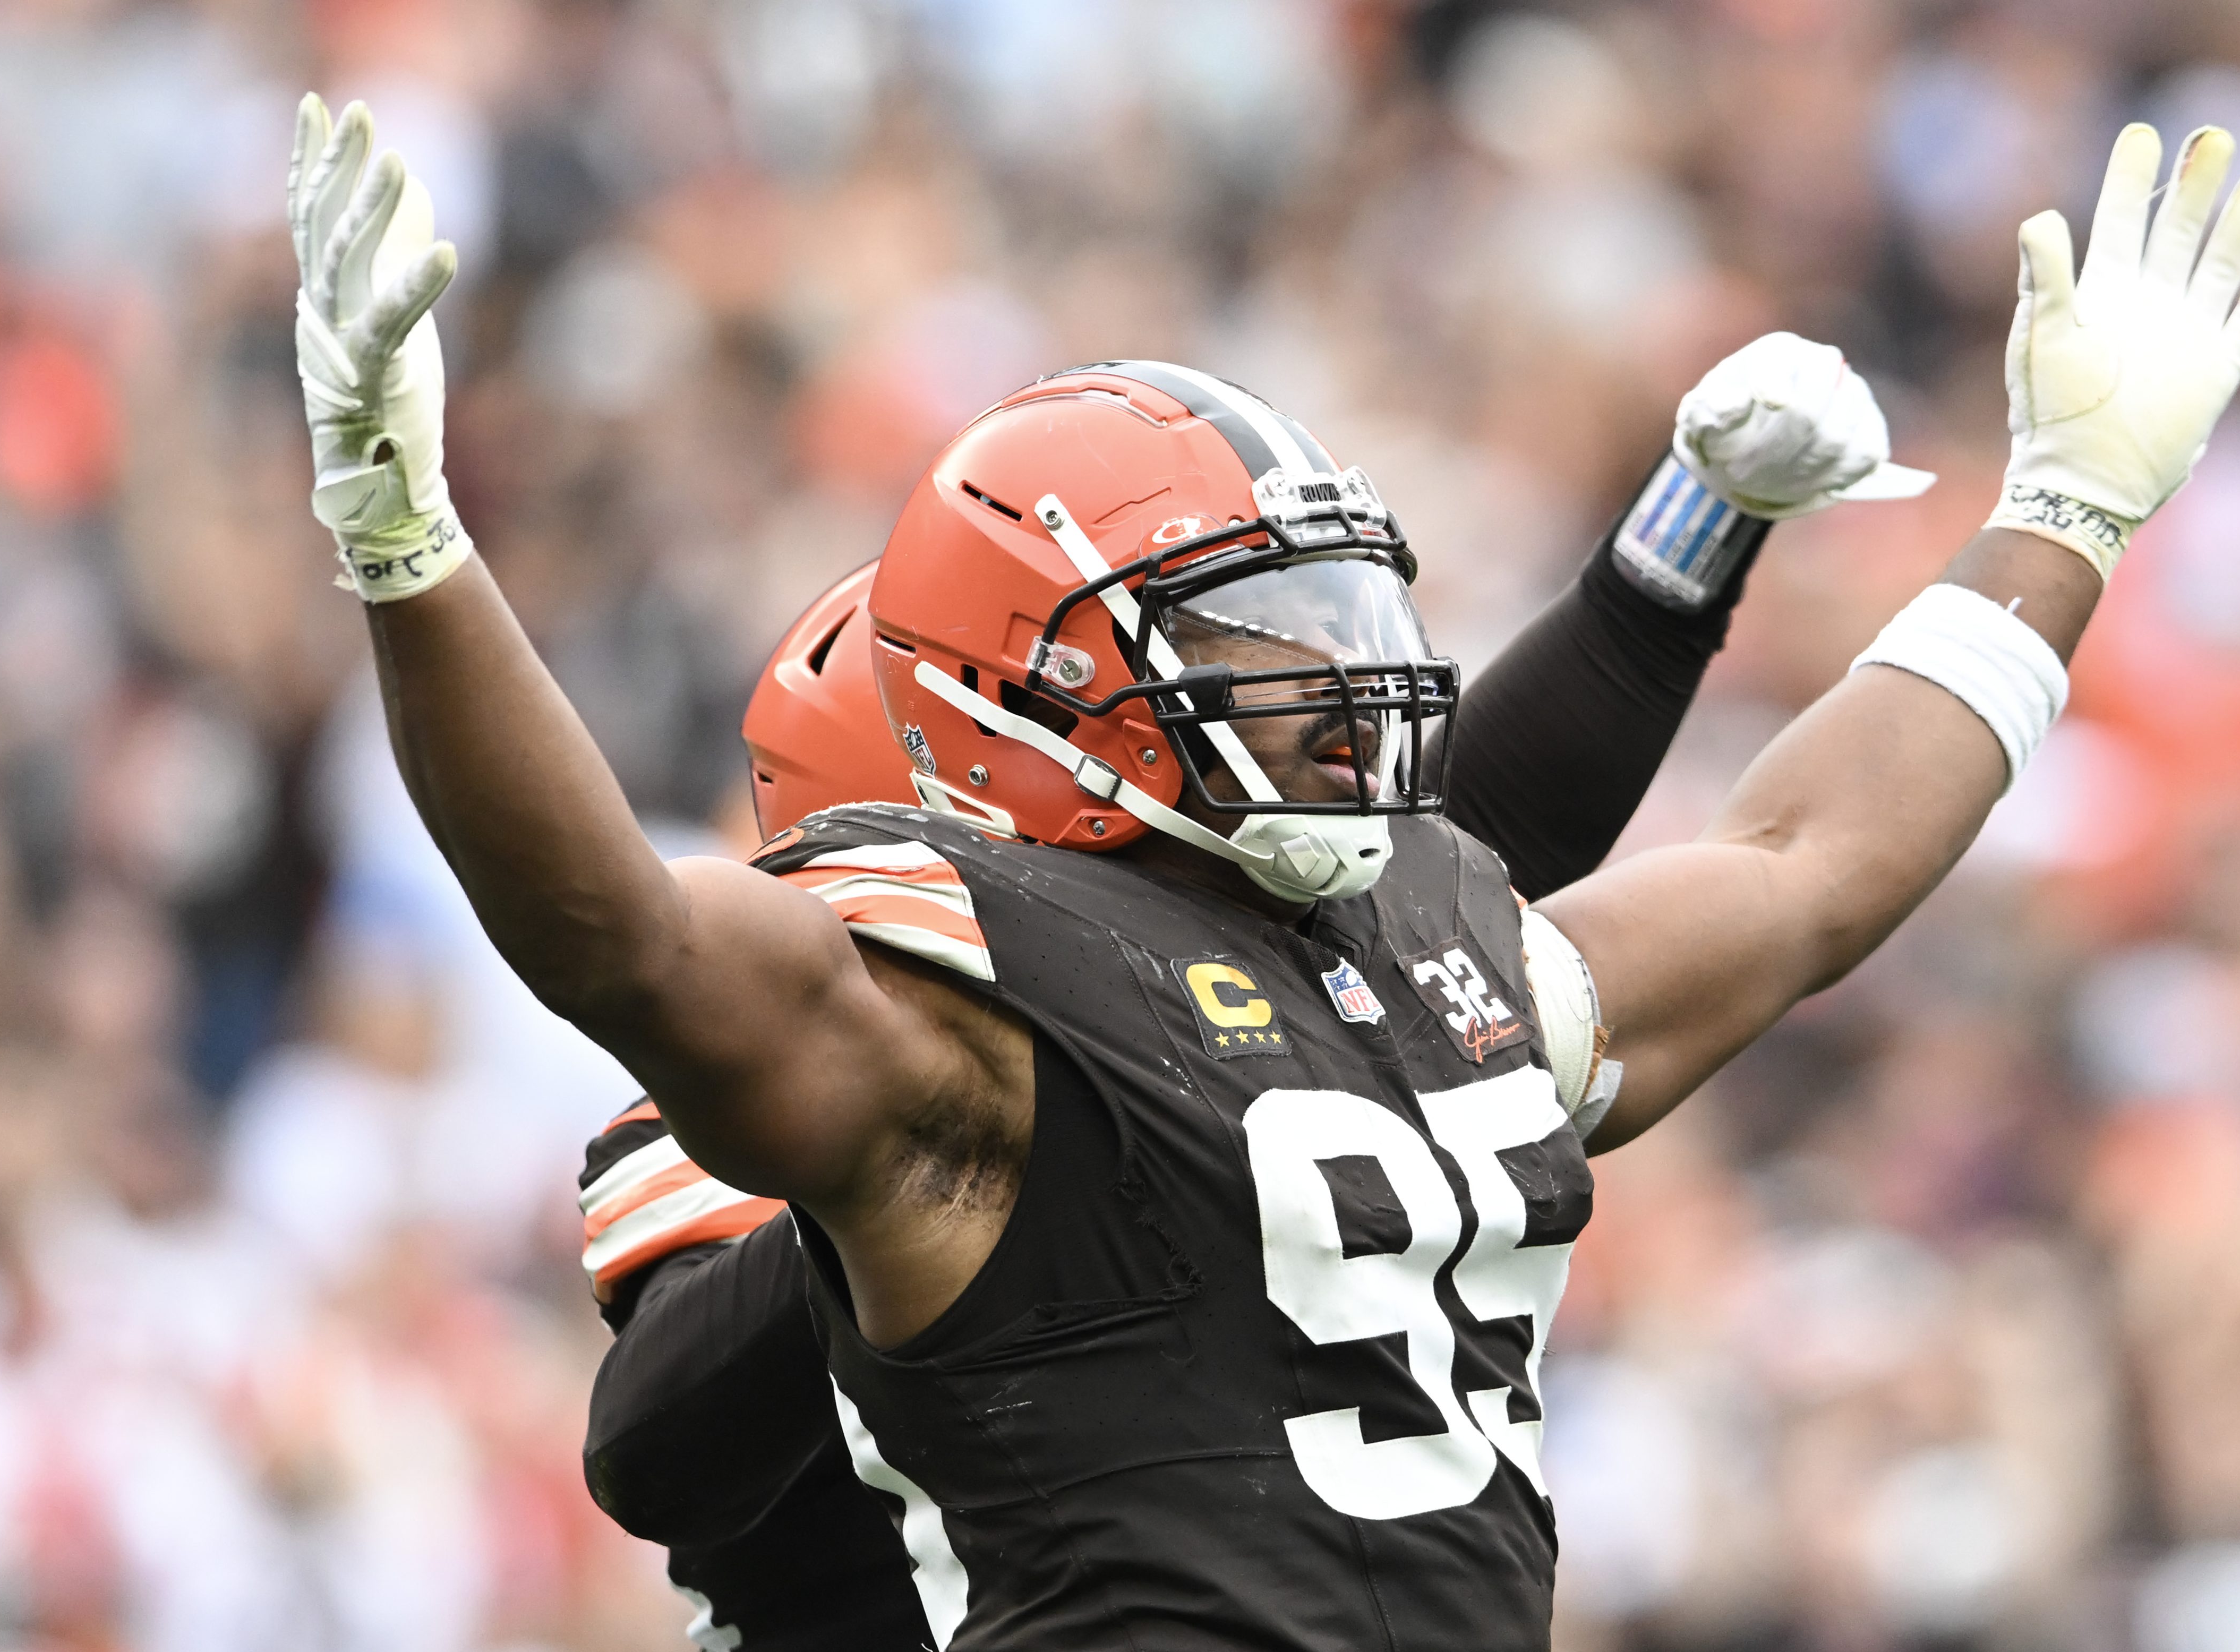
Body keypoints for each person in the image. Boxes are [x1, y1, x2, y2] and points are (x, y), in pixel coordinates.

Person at [287, 92, 2240, 1650]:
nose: (1336, 691)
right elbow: (656, 1392)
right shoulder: (920, 1030)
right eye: (1261, 649)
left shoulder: (1337, 964)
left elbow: (1766, 866)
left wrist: (2044, 508)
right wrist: (409, 543)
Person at [580, 330, 1930, 1648]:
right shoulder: (858, 1050)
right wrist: (948, 1166)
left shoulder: (1149, 973)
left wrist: (1684, 544)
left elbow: (1441, 871)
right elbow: (656, 1446)